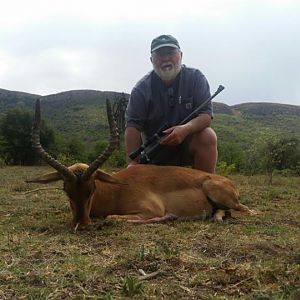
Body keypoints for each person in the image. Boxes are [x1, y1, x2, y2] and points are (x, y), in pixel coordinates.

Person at [125, 34, 218, 173]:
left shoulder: (196, 77)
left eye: (170, 53)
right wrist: (133, 163)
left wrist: (185, 129)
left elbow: (205, 116)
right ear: (151, 60)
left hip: (187, 145)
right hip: (155, 152)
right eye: (160, 54)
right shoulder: (141, 89)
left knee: (208, 136)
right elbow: (132, 128)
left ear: (180, 55)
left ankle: (204, 187)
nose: (166, 58)